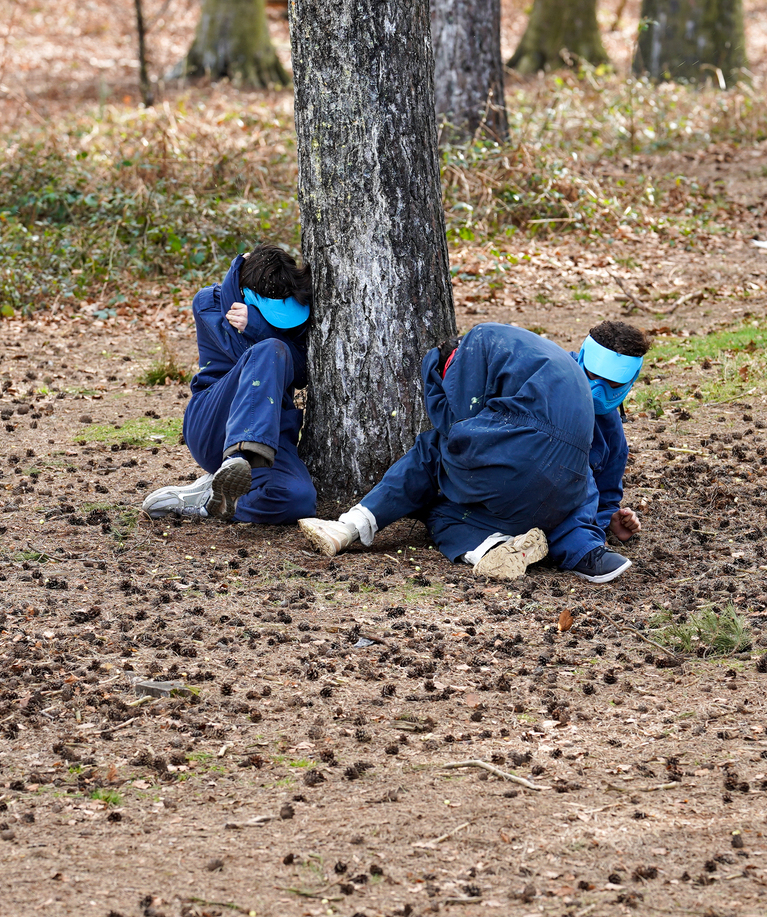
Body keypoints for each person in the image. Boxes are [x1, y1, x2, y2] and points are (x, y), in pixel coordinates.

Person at [299, 320, 649, 584]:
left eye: (613, 385)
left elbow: (604, 495)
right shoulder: (547, 374)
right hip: (514, 497)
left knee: (436, 460)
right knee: (443, 512)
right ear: (581, 359)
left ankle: (354, 526)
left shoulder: (609, 434)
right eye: (593, 377)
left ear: (630, 383)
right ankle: (567, 550)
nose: (598, 391)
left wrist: (610, 521)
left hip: (545, 502)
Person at [141, 243, 317, 524]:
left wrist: (260, 325)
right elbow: (250, 354)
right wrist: (258, 327)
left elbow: (302, 372)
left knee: (299, 500)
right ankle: (238, 454)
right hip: (213, 425)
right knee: (270, 350)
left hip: (269, 436)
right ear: (243, 296)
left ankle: (211, 499)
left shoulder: (284, 316)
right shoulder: (209, 304)